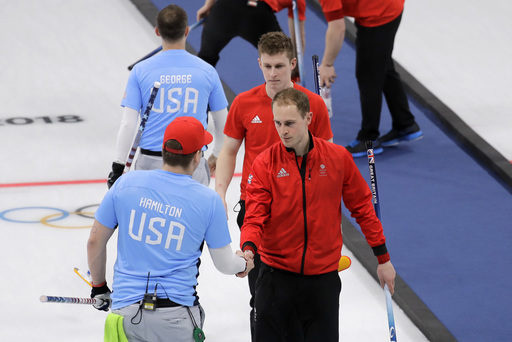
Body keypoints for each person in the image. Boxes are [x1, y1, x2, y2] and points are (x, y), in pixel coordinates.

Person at [240, 88, 396, 341]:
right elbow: (254, 216)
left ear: (309, 118)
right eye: (277, 123)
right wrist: (248, 248)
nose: (283, 131)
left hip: (322, 281)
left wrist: (383, 258)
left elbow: (363, 209)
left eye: (289, 123)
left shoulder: (337, 158)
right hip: (275, 277)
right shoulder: (265, 163)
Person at [87, 116, 254, 342]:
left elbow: (95, 241)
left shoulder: (126, 183)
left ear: (164, 150)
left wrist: (99, 287)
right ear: (197, 156)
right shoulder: (208, 200)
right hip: (175, 317)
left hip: (125, 314)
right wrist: (244, 262)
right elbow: (225, 264)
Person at [214, 31, 333, 339]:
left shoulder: (313, 106)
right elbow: (228, 151)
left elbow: (329, 161)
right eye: (267, 66)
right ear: (259, 63)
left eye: (279, 66)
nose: (273, 74)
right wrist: (220, 192)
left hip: (301, 214)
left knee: (301, 297)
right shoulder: (243, 103)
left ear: (292, 64)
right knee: (262, 297)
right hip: (256, 212)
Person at [108, 4, 228, 188]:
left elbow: (128, 123)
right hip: (192, 164)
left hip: (150, 164)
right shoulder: (207, 71)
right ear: (187, 31)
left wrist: (118, 166)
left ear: (157, 31)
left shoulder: (141, 71)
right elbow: (222, 121)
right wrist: (217, 154)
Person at [318, 0, 423, 157]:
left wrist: (327, 64)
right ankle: (405, 123)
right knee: (382, 65)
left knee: (368, 76)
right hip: (387, 7)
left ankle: (369, 139)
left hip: (379, 14)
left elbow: (338, 28)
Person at [196, 0, 306, 81]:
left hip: (225, 8)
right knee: (282, 62)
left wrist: (207, 5)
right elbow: (298, 38)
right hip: (258, 14)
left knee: (205, 57)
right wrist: (293, 65)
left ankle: (193, 104)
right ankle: (287, 106)